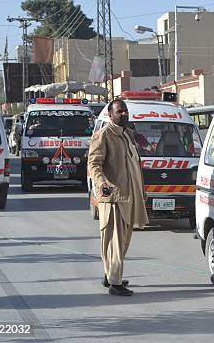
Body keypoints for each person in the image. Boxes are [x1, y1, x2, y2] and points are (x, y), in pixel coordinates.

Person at [88, 100, 148, 297]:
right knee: (114, 241)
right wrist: (102, 185)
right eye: (119, 111)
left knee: (123, 241)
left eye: (125, 111)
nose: (124, 114)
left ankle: (110, 275)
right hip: (113, 197)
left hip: (130, 196)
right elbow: (94, 165)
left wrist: (142, 190)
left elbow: (135, 165)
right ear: (110, 115)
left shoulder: (127, 134)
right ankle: (115, 283)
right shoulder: (103, 135)